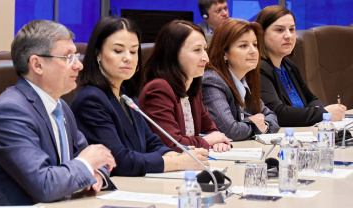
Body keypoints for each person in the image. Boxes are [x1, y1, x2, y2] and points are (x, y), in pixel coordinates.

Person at [0, 19, 115, 206]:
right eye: (68, 57)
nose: (78, 65)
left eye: (76, 56)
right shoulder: (10, 112)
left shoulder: (60, 106)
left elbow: (95, 158)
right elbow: (44, 185)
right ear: (37, 65)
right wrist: (87, 166)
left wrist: (95, 171)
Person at [72, 17, 207, 176]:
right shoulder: (91, 100)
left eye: (134, 51)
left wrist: (172, 154)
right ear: (98, 54)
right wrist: (176, 163)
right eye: (118, 50)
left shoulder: (126, 95)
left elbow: (152, 142)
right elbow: (118, 161)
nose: (128, 57)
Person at [138, 20, 232, 152]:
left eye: (205, 49)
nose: (206, 58)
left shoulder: (192, 87)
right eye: (197, 50)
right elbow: (172, 144)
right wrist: (208, 141)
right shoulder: (158, 89)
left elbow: (211, 130)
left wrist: (219, 143)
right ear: (173, 54)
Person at [255, 5, 346, 126]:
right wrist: (324, 113)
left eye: (291, 29)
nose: (288, 35)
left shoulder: (288, 65)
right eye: (279, 30)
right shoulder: (258, 68)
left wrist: (324, 112)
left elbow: (311, 99)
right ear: (261, 34)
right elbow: (278, 113)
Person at [201, 19, 279, 141]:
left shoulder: (243, 80)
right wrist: (254, 124)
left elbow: (271, 116)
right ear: (224, 53)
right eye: (243, 45)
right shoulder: (213, 81)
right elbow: (230, 131)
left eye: (255, 44)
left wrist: (264, 125)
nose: (253, 51)